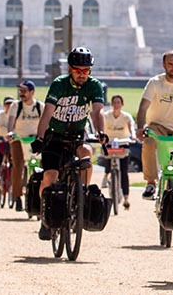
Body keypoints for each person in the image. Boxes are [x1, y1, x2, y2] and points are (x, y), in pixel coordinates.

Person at [36, 47, 107, 240]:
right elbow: (47, 113)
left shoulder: (94, 85)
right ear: (70, 69)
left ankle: (81, 194)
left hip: (77, 134)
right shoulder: (59, 84)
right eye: (78, 70)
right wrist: (40, 138)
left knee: (86, 153)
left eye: (86, 71)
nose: (82, 74)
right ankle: (45, 217)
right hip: (55, 135)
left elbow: (97, 112)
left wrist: (101, 132)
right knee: (50, 176)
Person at [136, 51, 173, 199]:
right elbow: (143, 108)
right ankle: (151, 182)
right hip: (157, 126)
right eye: (170, 64)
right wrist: (140, 128)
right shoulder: (155, 83)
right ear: (164, 65)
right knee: (149, 142)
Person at [6, 82, 43, 213]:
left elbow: (46, 122)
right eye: (20, 91)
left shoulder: (40, 106)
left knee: (43, 165)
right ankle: (17, 196)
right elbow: (11, 121)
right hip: (19, 138)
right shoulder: (16, 106)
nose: (21, 94)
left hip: (35, 139)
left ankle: (41, 195)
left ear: (32, 92)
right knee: (18, 166)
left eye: (24, 91)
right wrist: (10, 132)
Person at [104, 94, 136, 209]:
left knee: (124, 171)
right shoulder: (106, 116)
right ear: (111, 104)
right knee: (107, 159)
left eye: (118, 102)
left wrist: (133, 135)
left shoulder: (126, 116)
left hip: (123, 143)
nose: (116, 105)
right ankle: (106, 175)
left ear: (122, 104)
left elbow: (131, 126)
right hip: (109, 142)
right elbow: (101, 126)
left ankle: (126, 198)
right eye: (114, 102)